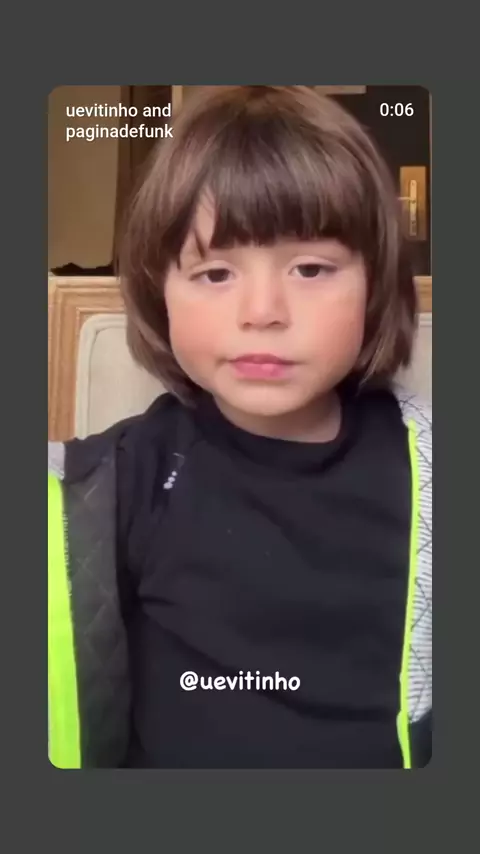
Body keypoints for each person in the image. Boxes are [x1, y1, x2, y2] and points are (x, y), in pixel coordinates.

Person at [48, 85, 432, 770]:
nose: (262, 311)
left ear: (376, 285)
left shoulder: (432, 476)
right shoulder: (110, 486)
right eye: (215, 272)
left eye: (310, 268)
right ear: (159, 292)